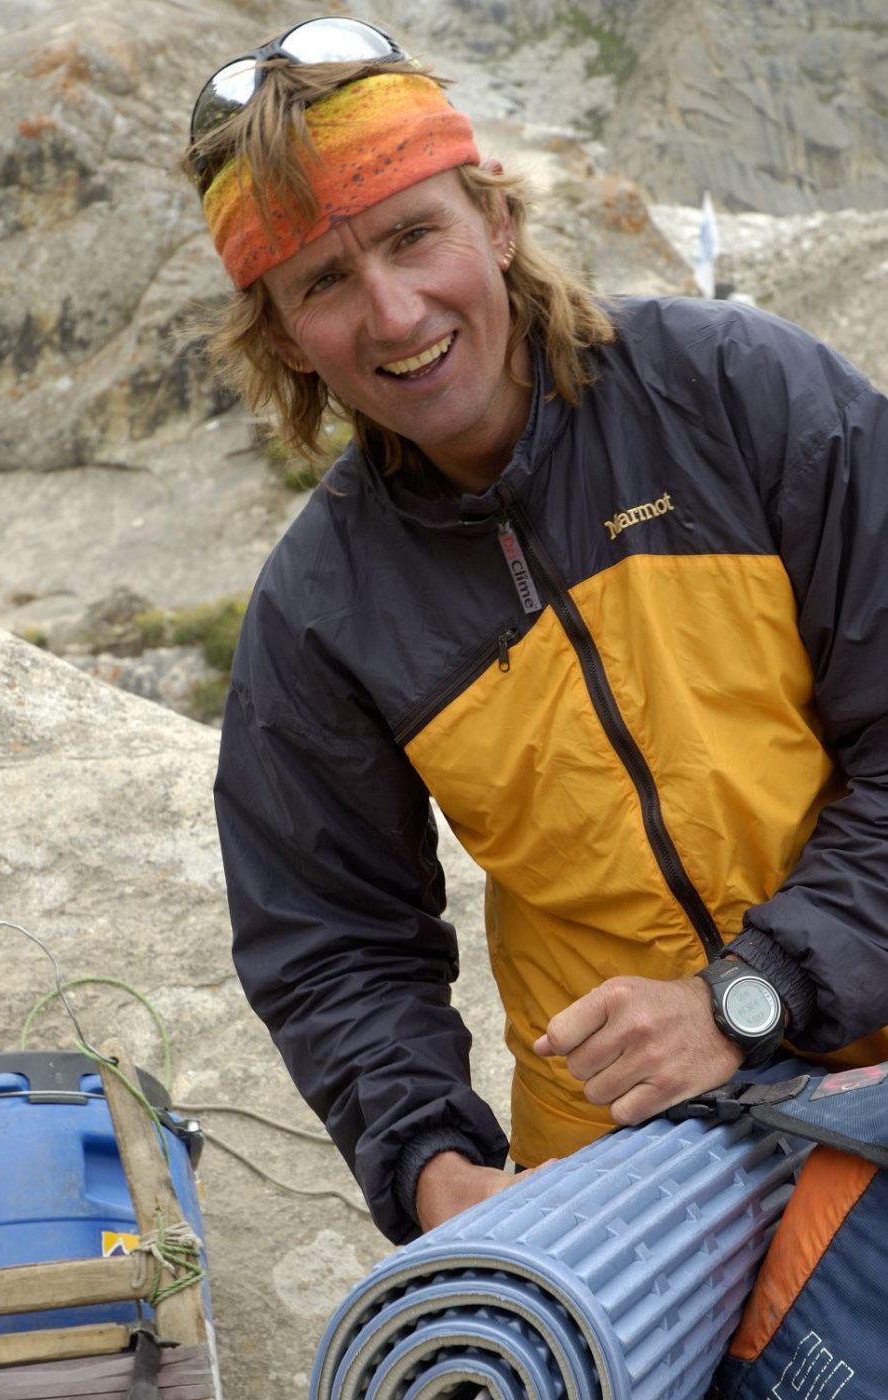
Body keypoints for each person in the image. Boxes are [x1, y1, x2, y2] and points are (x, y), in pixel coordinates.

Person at [184, 16, 888, 1246]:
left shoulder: (740, 395)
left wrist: (744, 995)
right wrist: (431, 1166)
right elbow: (334, 942)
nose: (394, 313)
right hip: (631, 1167)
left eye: (413, 236)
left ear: (494, 223)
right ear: (285, 332)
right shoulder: (319, 608)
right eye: (324, 282)